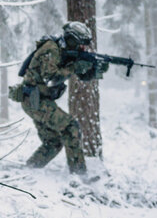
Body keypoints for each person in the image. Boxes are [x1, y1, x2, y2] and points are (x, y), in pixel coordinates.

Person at [9, 21, 109, 176]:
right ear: (72, 39)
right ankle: (79, 175)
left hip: (38, 100)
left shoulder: (64, 50)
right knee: (70, 127)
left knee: (53, 142)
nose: (83, 48)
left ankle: (29, 172)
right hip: (34, 100)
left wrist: (95, 69)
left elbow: (81, 75)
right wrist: (75, 67)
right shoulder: (51, 49)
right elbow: (51, 78)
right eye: (80, 44)